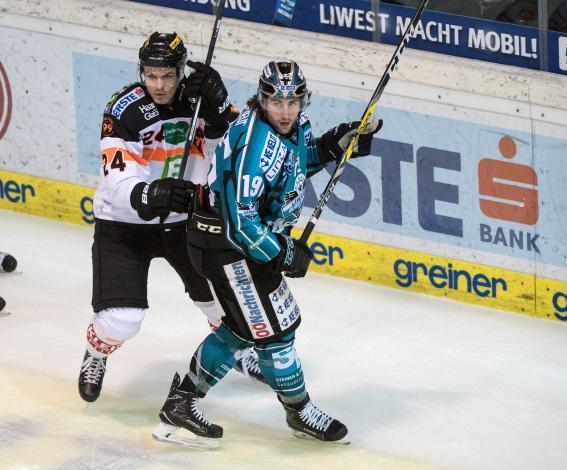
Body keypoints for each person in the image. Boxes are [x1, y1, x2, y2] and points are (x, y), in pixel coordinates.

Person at [151, 60, 382, 449]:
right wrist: (282, 253)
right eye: (277, 101)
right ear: (262, 99)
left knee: (242, 330)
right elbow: (240, 223)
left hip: (236, 246)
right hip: (228, 247)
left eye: (293, 101)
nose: (286, 110)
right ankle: (299, 411)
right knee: (277, 333)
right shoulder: (253, 145)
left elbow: (295, 163)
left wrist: (335, 143)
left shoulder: (290, 126)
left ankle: (181, 404)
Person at [77, 32, 260, 403]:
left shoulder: (199, 99)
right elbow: (116, 177)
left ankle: (238, 351)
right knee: (120, 322)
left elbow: (234, 153)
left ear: (180, 70)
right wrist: (149, 193)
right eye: (150, 75)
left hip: (185, 222)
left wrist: (221, 111)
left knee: (224, 304)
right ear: (141, 71)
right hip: (125, 223)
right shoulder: (123, 108)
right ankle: (96, 354)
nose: (159, 85)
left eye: (168, 76)